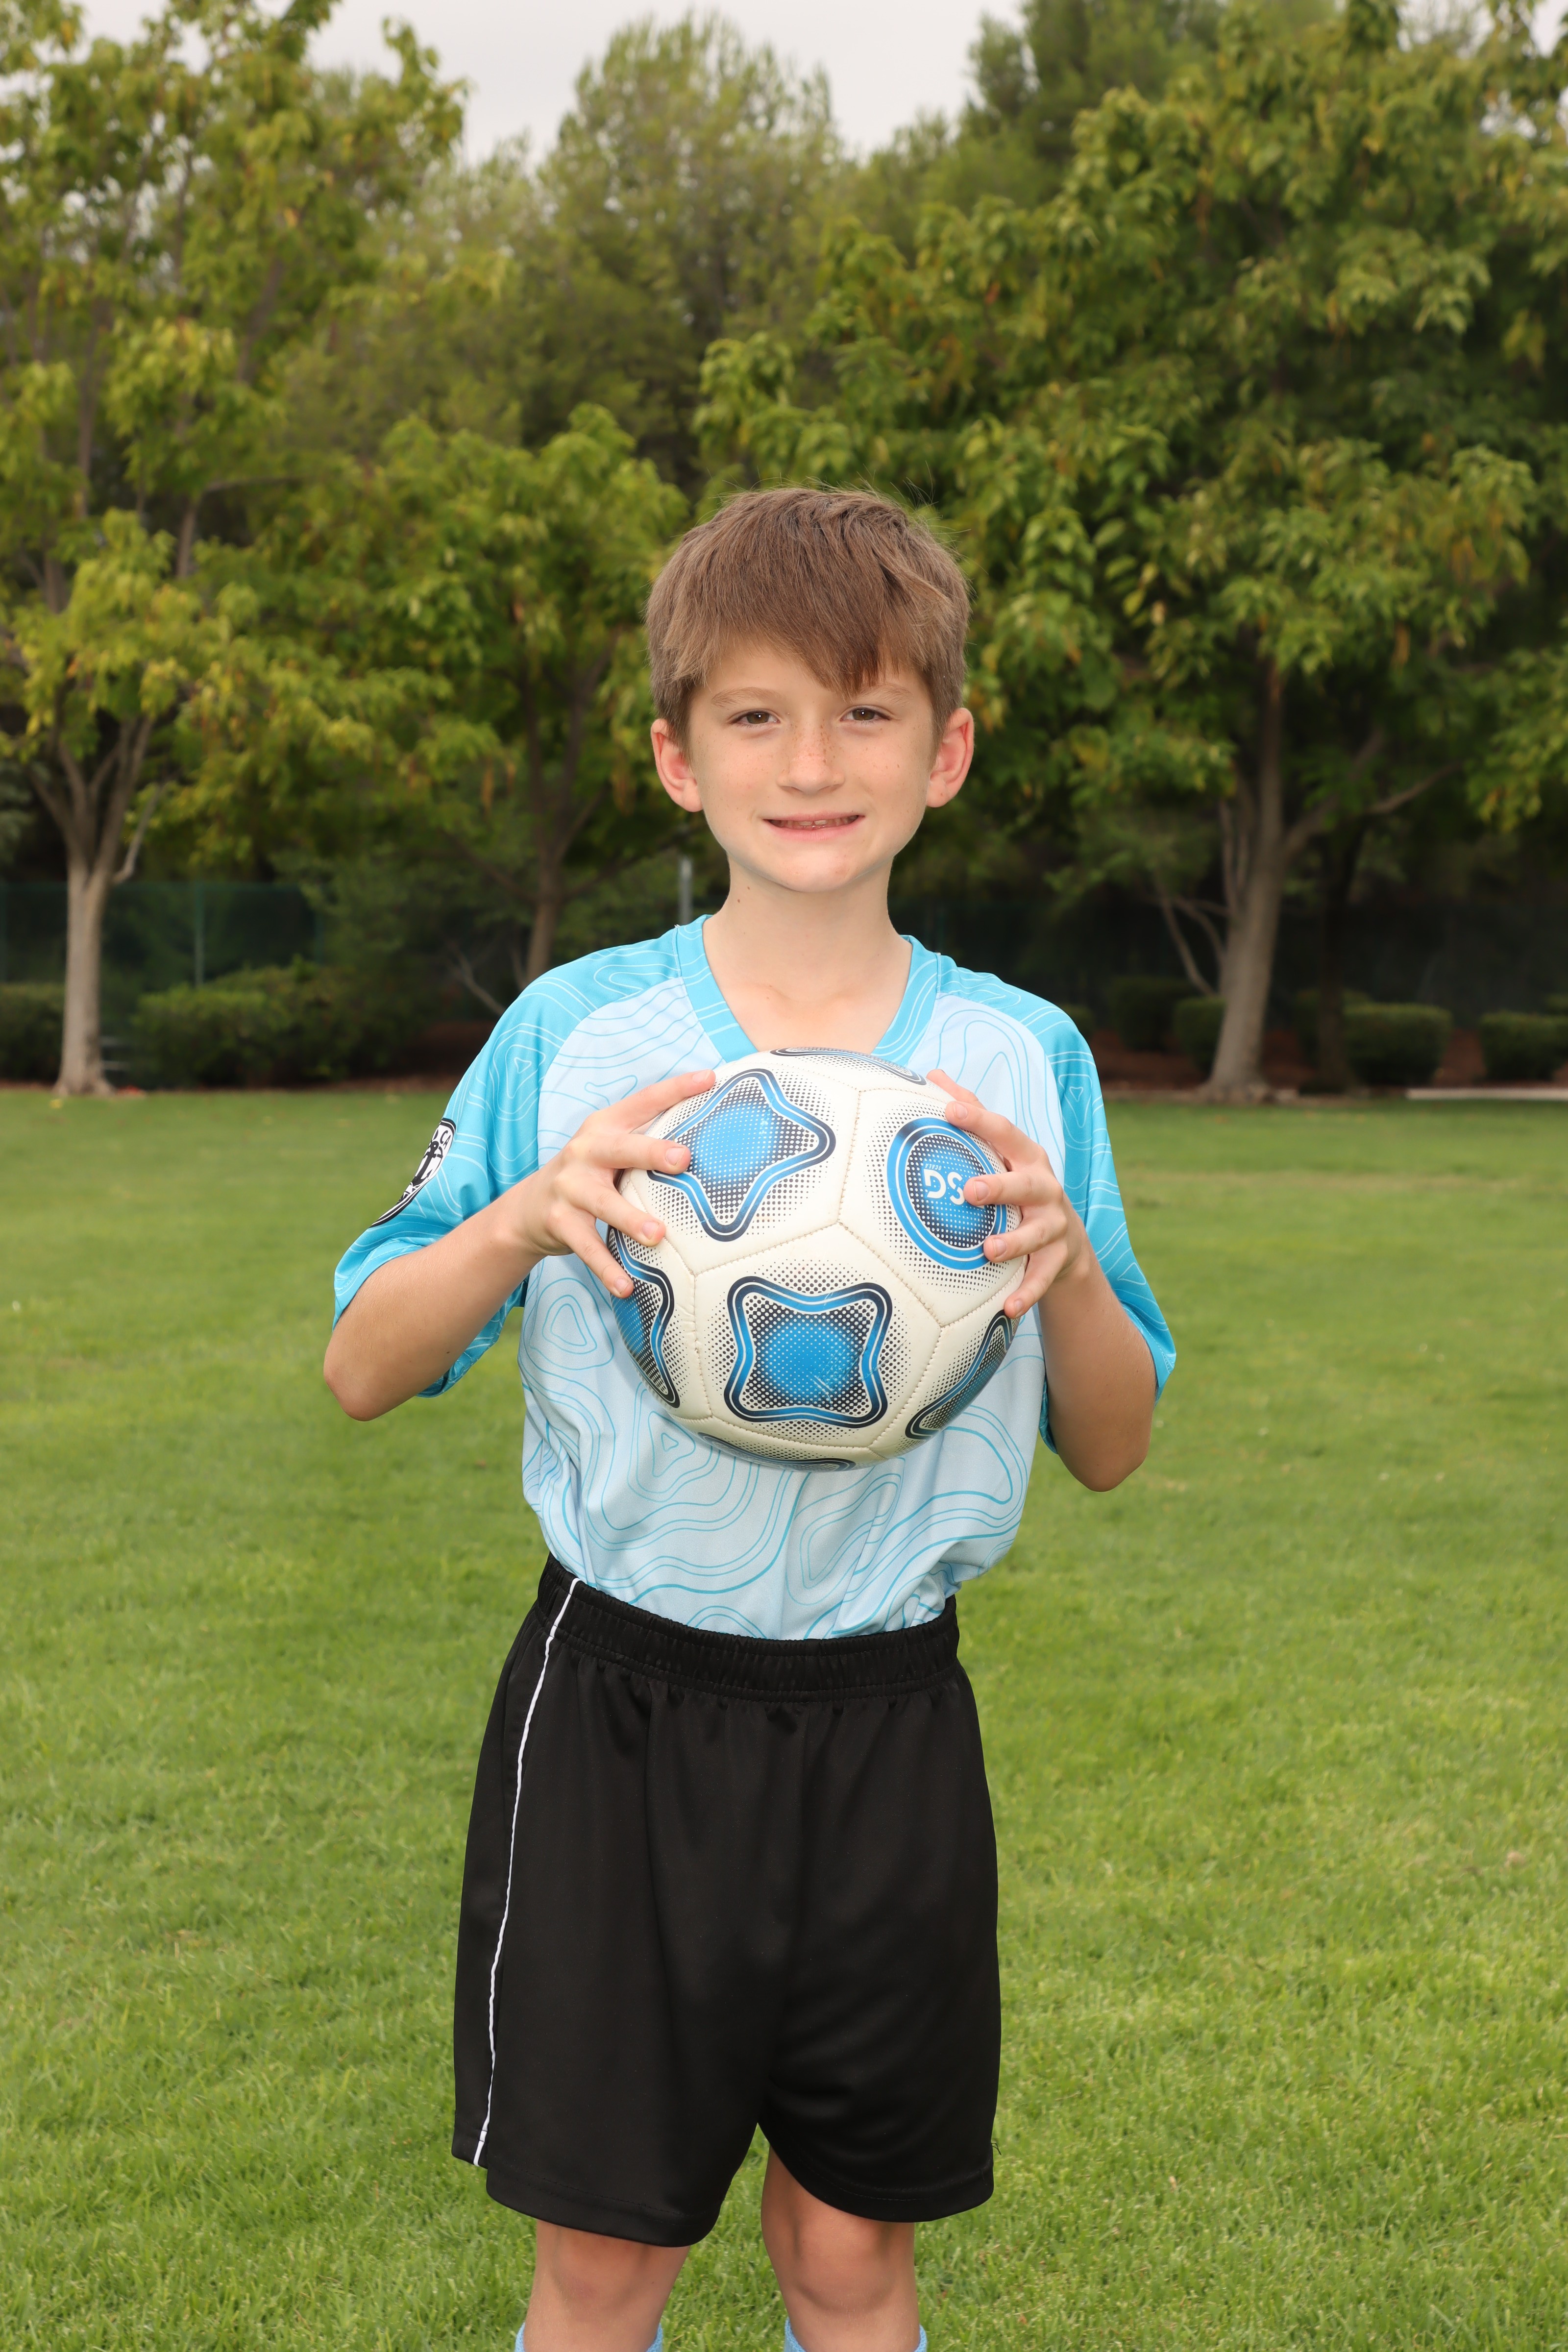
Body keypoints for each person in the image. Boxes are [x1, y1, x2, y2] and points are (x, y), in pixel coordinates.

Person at [324, 488, 1174, 2352]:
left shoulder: (1015, 1059)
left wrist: (1068, 1275)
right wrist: (525, 1215)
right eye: (758, 716)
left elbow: (1111, 1442)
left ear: (946, 752)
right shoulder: (581, 1033)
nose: (811, 764)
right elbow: (364, 1364)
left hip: (893, 1718)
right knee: (603, 2266)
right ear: (676, 757)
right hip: (622, 1708)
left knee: (851, 2259)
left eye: (866, 714)